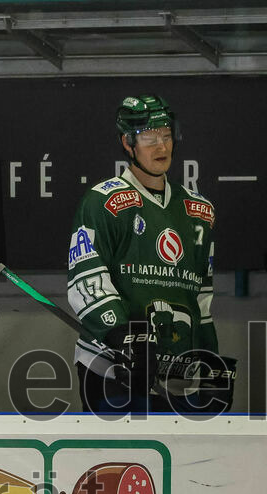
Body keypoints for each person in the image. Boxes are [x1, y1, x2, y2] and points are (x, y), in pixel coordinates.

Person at [66, 94, 223, 413]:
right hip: (112, 370)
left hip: (177, 375)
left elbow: (201, 297)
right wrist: (121, 333)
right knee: (119, 463)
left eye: (166, 136)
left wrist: (209, 359)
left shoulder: (200, 210)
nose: (161, 147)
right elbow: (86, 280)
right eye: (149, 138)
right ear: (127, 143)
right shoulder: (103, 202)